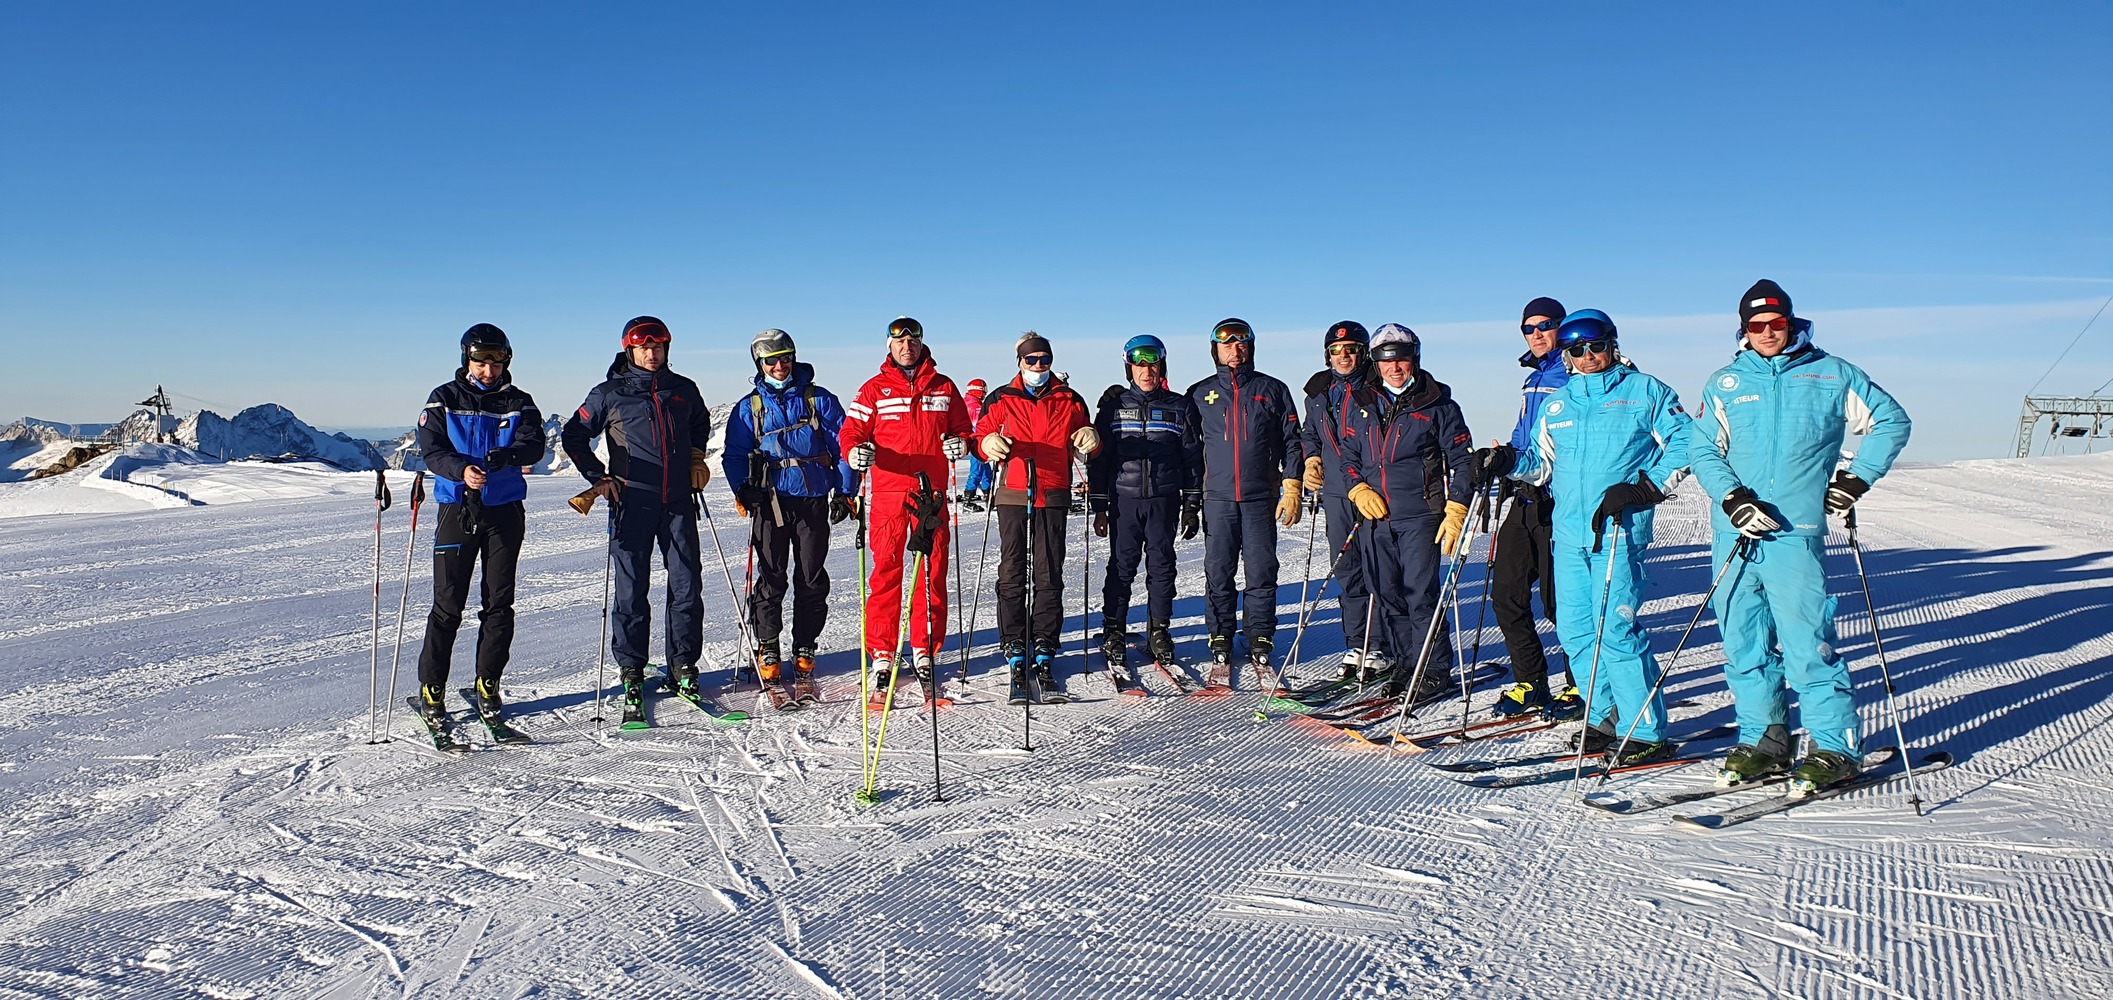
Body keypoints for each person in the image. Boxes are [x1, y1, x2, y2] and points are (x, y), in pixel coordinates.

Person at [1689, 279, 1911, 791]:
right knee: (1743, 641)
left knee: (1807, 641)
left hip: (1796, 531)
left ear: (1792, 321)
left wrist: (1857, 479)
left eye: (1777, 322)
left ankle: (1834, 747)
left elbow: (1891, 421)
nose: (1768, 332)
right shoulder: (1724, 382)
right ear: (1743, 330)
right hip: (1736, 530)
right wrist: (1731, 498)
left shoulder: (1831, 374)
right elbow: (1703, 450)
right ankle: (1764, 740)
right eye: (1756, 325)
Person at [1475, 309, 1692, 764]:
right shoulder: (1560, 404)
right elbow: (1540, 463)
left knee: (1616, 628)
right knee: (1576, 630)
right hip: (1569, 532)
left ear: (1612, 345)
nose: (1588, 356)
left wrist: (1646, 486)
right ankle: (1602, 715)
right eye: (1577, 350)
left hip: (1618, 529)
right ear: (1567, 356)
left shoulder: (1645, 392)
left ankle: (1645, 728)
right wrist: (1506, 462)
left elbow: (1687, 442)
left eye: (1596, 346)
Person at [560, 316, 716, 722]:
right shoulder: (610, 393)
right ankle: (632, 667)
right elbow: (573, 435)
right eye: (644, 347)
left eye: (659, 346)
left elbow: (700, 424)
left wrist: (697, 456)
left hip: (679, 501)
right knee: (632, 591)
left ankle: (683, 664)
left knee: (686, 585)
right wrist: (598, 476)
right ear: (630, 350)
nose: (652, 353)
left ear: (667, 348)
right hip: (632, 502)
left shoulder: (683, 390)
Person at [411, 324, 546, 723]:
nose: (488, 370)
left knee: (499, 603)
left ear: (506, 359)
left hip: (504, 511)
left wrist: (506, 456)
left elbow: (535, 443)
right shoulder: (444, 399)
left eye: (496, 360)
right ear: (466, 359)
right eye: (480, 361)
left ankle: (488, 684)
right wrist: (461, 470)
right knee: (448, 604)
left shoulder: (519, 401)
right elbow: (432, 450)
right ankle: (432, 689)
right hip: (457, 508)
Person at [720, 329, 860, 707]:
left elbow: (845, 447)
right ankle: (768, 645)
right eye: (771, 360)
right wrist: (742, 488)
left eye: (785, 358)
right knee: (772, 576)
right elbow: (734, 453)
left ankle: (805, 645)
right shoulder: (750, 407)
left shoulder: (819, 399)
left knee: (812, 577)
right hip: (769, 502)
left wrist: (846, 492)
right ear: (759, 365)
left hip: (813, 499)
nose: (780, 366)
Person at [1336, 324, 1473, 702]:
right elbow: (1348, 457)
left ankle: (1433, 671)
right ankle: (1405, 663)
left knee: (1420, 596)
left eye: (1402, 359)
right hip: (1375, 517)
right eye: (1386, 360)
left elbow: (1462, 461)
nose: (1395, 367)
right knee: (1388, 594)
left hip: (1419, 516)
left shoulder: (1438, 405)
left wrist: (1456, 507)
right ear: (1376, 364)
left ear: (1415, 359)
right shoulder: (1362, 403)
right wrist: (1357, 487)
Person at [839, 317, 972, 701]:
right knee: (886, 572)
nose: (907, 346)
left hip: (930, 494)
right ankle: (882, 650)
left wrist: (960, 444)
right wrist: (854, 451)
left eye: (913, 340)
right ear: (889, 346)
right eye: (899, 341)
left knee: (931, 571)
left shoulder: (943, 386)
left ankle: (924, 647)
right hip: (888, 493)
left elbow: (964, 429)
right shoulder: (874, 389)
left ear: (921, 344)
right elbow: (851, 430)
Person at [977, 332, 1099, 704]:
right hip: (1014, 491)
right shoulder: (1001, 397)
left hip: (1054, 491)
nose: (1038, 366)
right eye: (1031, 360)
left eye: (1044, 360)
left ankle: (1044, 645)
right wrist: (986, 444)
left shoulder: (1069, 398)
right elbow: (980, 433)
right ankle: (1014, 642)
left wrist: (1090, 439)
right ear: (1019, 362)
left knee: (1050, 572)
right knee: (1012, 569)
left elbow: (1084, 436)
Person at [1185, 317, 1305, 682]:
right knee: (1218, 571)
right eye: (1226, 345)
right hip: (1218, 498)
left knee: (1262, 570)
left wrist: (1293, 484)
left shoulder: (1272, 390)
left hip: (1259, 497)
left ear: (1251, 347)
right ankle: (1220, 633)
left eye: (1241, 344)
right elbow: (1189, 451)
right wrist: (1191, 501)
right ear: (1215, 350)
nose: (1234, 351)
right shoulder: (1199, 393)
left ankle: (1260, 636)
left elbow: (1292, 442)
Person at [1088, 334, 1201, 681]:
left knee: (1163, 566)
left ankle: (1159, 629)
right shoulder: (1111, 408)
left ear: (1161, 367)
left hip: (1163, 499)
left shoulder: (1179, 407)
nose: (1146, 371)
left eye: (1152, 364)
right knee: (1122, 567)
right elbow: (1100, 459)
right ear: (1129, 369)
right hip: (1124, 499)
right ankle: (1114, 630)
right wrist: (1099, 505)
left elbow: (1192, 457)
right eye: (1139, 365)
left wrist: (1192, 503)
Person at [1488, 296, 1578, 720]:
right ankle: (1531, 680)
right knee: (1507, 594)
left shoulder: (1576, 371)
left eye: (1545, 325)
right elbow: (1525, 432)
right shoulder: (1535, 377)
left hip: (1560, 499)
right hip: (1526, 497)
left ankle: (1580, 683)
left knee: (1560, 601)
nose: (1537, 334)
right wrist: (1506, 459)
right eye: (1529, 328)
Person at [1297, 320, 1385, 681]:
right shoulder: (1318, 393)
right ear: (1327, 354)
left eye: (1351, 349)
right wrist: (1310, 459)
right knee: (1347, 569)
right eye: (1336, 350)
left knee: (1378, 568)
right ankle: (1356, 643)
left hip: (1372, 489)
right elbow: (1309, 433)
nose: (1344, 355)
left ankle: (1380, 644)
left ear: (1363, 353)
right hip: (1335, 491)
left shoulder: (1377, 388)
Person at [960, 378, 993, 509]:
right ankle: (968, 497)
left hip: (973, 442)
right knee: (977, 470)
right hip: (977, 443)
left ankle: (988, 494)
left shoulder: (965, 403)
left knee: (985, 470)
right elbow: (979, 425)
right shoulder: (976, 407)